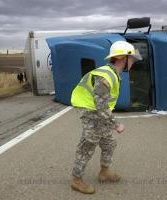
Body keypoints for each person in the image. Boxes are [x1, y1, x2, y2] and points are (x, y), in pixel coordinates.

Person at [70, 41, 142, 194]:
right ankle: (76, 180)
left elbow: (103, 105)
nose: (134, 62)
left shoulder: (113, 74)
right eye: (132, 59)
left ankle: (104, 172)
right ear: (123, 58)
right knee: (87, 146)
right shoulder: (106, 76)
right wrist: (116, 124)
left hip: (98, 112)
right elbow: (100, 105)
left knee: (109, 142)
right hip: (90, 111)